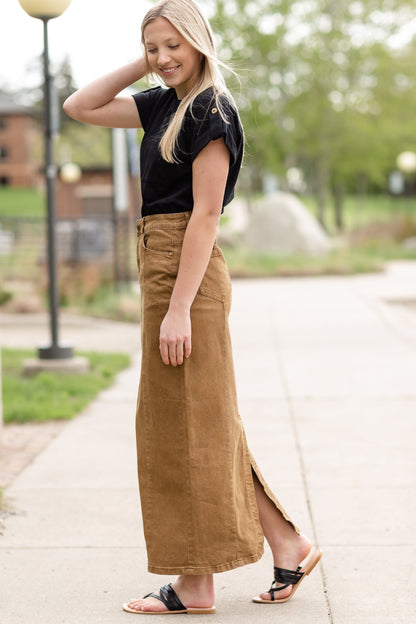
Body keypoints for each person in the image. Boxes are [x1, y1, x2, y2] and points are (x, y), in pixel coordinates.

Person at [64, 0, 321, 614]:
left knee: (185, 429)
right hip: (161, 265)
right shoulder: (164, 103)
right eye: (155, 48)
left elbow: (205, 216)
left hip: (187, 274)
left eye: (175, 45)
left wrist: (179, 310)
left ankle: (197, 583)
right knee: (197, 424)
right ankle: (287, 544)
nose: (164, 58)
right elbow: (80, 106)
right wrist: (149, 60)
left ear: (201, 42)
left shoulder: (211, 109)